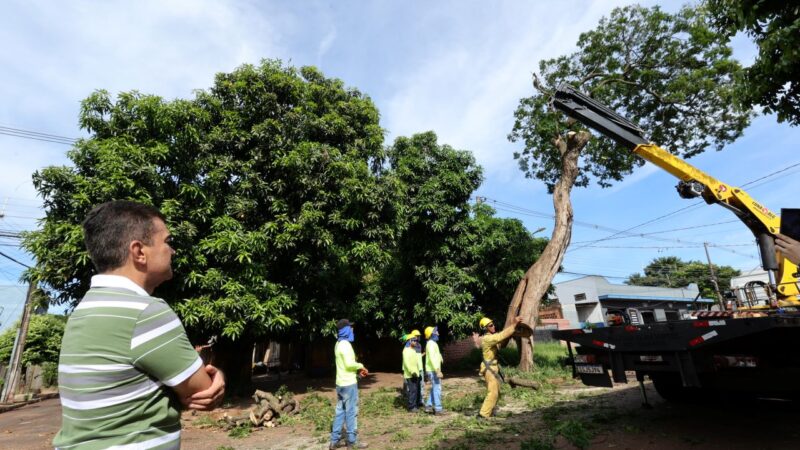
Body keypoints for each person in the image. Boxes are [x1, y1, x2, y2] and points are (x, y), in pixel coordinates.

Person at [53, 200, 225, 449]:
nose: (173, 251)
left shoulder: (84, 310)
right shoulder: (145, 312)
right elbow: (202, 391)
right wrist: (218, 376)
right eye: (167, 241)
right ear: (139, 252)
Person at [330, 319, 369, 449]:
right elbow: (349, 364)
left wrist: (357, 373)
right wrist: (361, 366)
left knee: (340, 412)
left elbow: (344, 365)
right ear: (346, 330)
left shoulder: (337, 344)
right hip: (349, 384)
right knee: (351, 412)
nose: (352, 330)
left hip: (340, 383)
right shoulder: (346, 344)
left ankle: (334, 441)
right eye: (350, 328)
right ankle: (352, 441)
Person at [478, 316, 523, 419]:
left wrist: (512, 332)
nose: (493, 326)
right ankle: (482, 415)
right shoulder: (488, 338)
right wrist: (514, 325)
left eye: (493, 324)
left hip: (493, 368)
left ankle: (490, 411)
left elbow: (501, 341)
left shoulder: (491, 338)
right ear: (485, 329)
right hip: (489, 370)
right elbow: (501, 336)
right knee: (493, 392)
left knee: (497, 391)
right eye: (490, 325)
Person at [423, 326, 444, 415]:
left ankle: (428, 406)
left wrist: (440, 357)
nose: (438, 333)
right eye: (436, 332)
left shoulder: (432, 343)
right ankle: (438, 409)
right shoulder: (431, 344)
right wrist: (437, 370)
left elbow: (435, 355)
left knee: (435, 388)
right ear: (431, 334)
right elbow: (432, 357)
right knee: (437, 388)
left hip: (432, 369)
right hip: (433, 370)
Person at [401, 331, 423, 412]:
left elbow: (416, 362)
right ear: (410, 341)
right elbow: (407, 363)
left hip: (415, 373)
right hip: (410, 374)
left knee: (416, 390)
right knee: (412, 391)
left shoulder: (413, 350)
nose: (416, 342)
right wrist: (411, 372)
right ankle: (411, 407)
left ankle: (415, 405)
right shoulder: (406, 351)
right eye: (414, 341)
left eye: (416, 341)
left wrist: (418, 373)